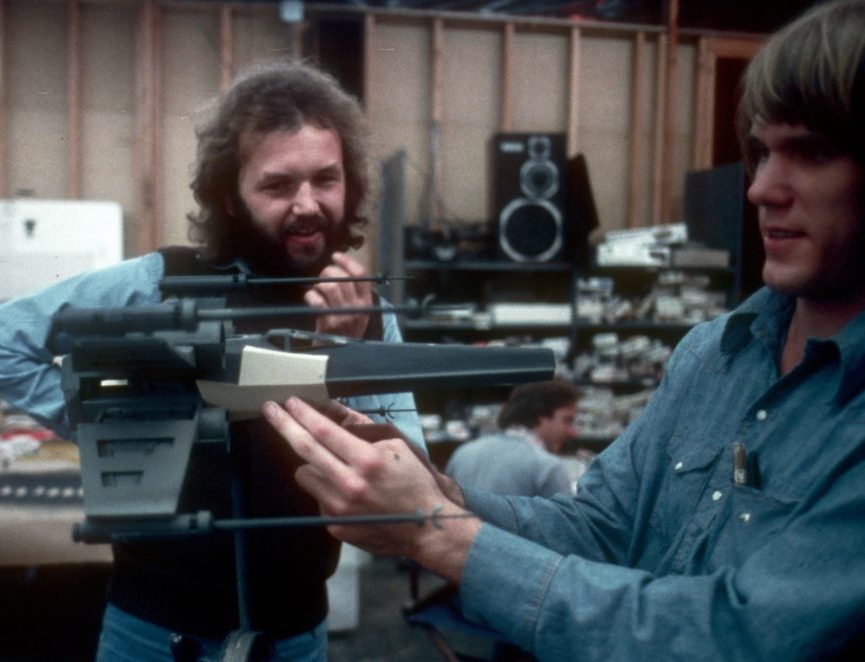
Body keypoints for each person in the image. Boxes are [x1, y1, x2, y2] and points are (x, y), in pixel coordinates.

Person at [260, 1, 865, 658]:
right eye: (762, 152)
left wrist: (438, 532)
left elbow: (732, 638)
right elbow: (599, 527)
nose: (761, 188)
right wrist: (436, 493)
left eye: (811, 153)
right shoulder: (713, 354)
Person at [0, 60, 423, 661]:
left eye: (326, 180)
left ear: (349, 184)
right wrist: (107, 422)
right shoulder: (160, 283)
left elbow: (408, 482)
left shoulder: (364, 309)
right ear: (229, 196)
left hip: (295, 634)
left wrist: (348, 357)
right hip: (152, 633)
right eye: (278, 186)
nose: (307, 205)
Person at [446, 380, 578, 498]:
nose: (573, 432)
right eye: (567, 420)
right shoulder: (547, 467)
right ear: (541, 416)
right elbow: (567, 518)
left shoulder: (463, 454)